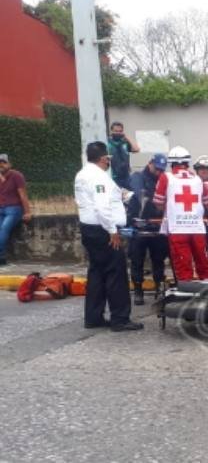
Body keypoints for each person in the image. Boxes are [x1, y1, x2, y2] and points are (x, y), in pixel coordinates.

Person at [74, 142, 143, 331]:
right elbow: (101, 206)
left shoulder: (82, 174)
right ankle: (120, 319)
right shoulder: (98, 177)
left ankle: (94, 317)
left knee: (97, 273)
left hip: (90, 228)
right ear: (104, 158)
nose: (109, 162)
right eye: (108, 159)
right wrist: (112, 230)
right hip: (103, 231)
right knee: (116, 274)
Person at [153, 146, 208, 282]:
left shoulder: (166, 177)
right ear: (187, 163)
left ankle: (185, 290)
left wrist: (169, 209)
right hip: (197, 227)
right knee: (202, 259)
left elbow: (158, 201)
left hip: (177, 227)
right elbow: (207, 203)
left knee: (183, 262)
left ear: (171, 163)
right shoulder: (198, 179)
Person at [127, 153, 169, 305]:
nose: (159, 172)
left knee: (158, 259)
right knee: (136, 259)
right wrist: (155, 200)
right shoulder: (138, 177)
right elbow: (139, 193)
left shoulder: (164, 178)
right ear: (150, 163)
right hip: (140, 224)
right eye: (157, 168)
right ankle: (138, 290)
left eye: (161, 170)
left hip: (157, 225)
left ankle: (159, 287)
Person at [0, 154, 31, 265]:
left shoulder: (16, 175)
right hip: (1, 209)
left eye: (4, 162)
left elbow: (23, 195)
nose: (1, 165)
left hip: (14, 209)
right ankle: (2, 258)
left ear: (9, 164)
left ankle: (1, 258)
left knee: (3, 229)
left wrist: (27, 212)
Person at [107, 121, 140, 190]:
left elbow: (136, 149)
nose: (118, 133)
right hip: (114, 177)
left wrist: (127, 138)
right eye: (116, 131)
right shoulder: (108, 143)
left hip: (126, 176)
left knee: (132, 194)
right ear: (111, 131)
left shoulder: (124, 142)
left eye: (120, 131)